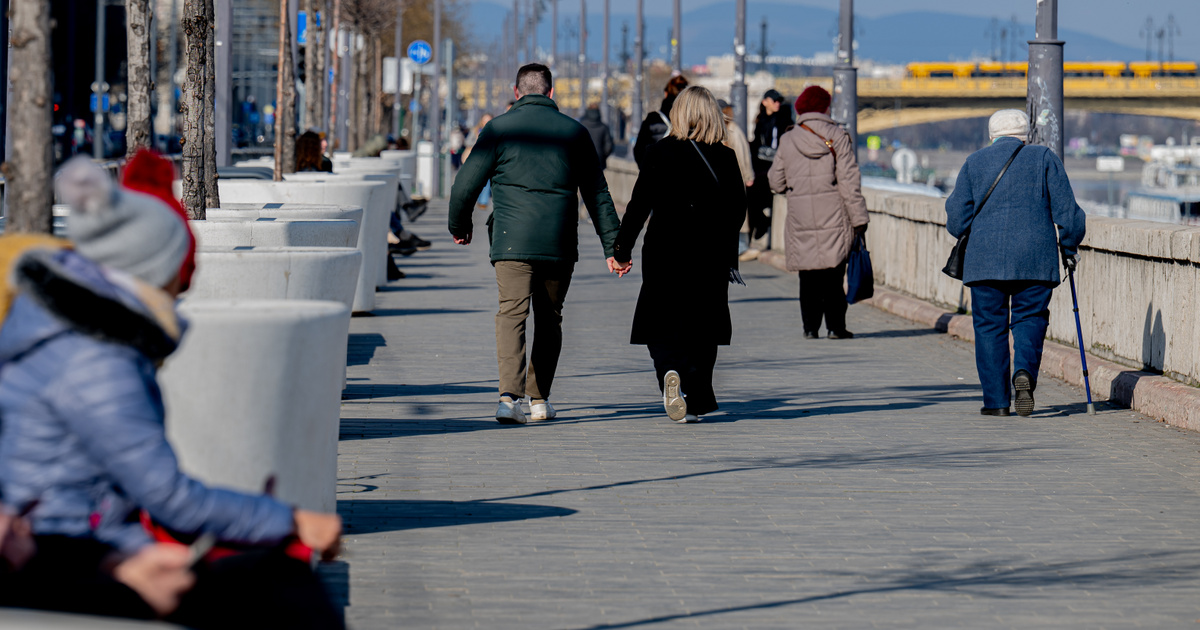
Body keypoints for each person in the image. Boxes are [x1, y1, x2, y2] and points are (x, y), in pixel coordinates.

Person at [0, 155, 344, 627]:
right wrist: (291, 520)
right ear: (157, 272)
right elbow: (170, 497)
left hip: (77, 544)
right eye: (180, 276)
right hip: (58, 554)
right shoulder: (96, 357)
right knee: (283, 591)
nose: (182, 290)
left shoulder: (69, 330)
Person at [448, 63, 626, 425]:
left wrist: (460, 224)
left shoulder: (498, 128)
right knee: (550, 318)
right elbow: (597, 194)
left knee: (511, 314)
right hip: (559, 241)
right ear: (551, 93)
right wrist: (614, 248)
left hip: (511, 240)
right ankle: (540, 400)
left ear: (516, 93)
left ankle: (507, 399)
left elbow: (465, 183)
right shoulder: (574, 133)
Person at [613, 86, 747, 423]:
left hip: (664, 250)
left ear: (679, 115)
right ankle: (697, 393)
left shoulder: (660, 152)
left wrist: (621, 249)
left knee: (659, 322)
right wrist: (729, 254)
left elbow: (639, 205)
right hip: (710, 254)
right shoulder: (725, 156)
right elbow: (737, 210)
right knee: (704, 325)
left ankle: (669, 373)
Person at [945, 109, 1086, 417]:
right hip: (1035, 259)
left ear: (991, 136)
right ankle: (1023, 371)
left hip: (984, 261)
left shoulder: (974, 162)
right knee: (1030, 317)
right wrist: (1069, 245)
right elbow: (1069, 214)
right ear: (1027, 136)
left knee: (989, 327)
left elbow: (956, 220)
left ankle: (996, 402)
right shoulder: (1044, 158)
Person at [768, 86, 869, 340]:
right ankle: (836, 327)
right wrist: (859, 218)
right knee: (834, 273)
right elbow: (848, 182)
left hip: (800, 216)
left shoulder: (788, 139)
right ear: (826, 107)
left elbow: (775, 182)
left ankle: (810, 328)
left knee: (808, 274)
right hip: (834, 214)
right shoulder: (837, 136)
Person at [748, 89, 792, 241]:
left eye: (779, 101)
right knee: (749, 190)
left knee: (755, 189)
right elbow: (756, 143)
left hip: (774, 167)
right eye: (774, 100)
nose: (777, 104)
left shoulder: (783, 119)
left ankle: (759, 225)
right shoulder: (761, 120)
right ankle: (759, 224)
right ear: (765, 102)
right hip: (761, 165)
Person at [718, 99, 756, 258]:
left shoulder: (718, 131)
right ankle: (739, 247)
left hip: (721, 182)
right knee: (737, 214)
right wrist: (748, 176)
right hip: (734, 181)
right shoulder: (733, 130)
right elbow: (742, 156)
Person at [632, 75, 689, 167]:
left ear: (665, 93)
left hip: (656, 172)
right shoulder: (689, 120)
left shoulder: (652, 119)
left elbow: (638, 149)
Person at [580, 102, 614, 169]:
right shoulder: (604, 127)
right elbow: (609, 146)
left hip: (583, 159)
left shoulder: (581, 125)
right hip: (599, 158)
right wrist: (603, 155)